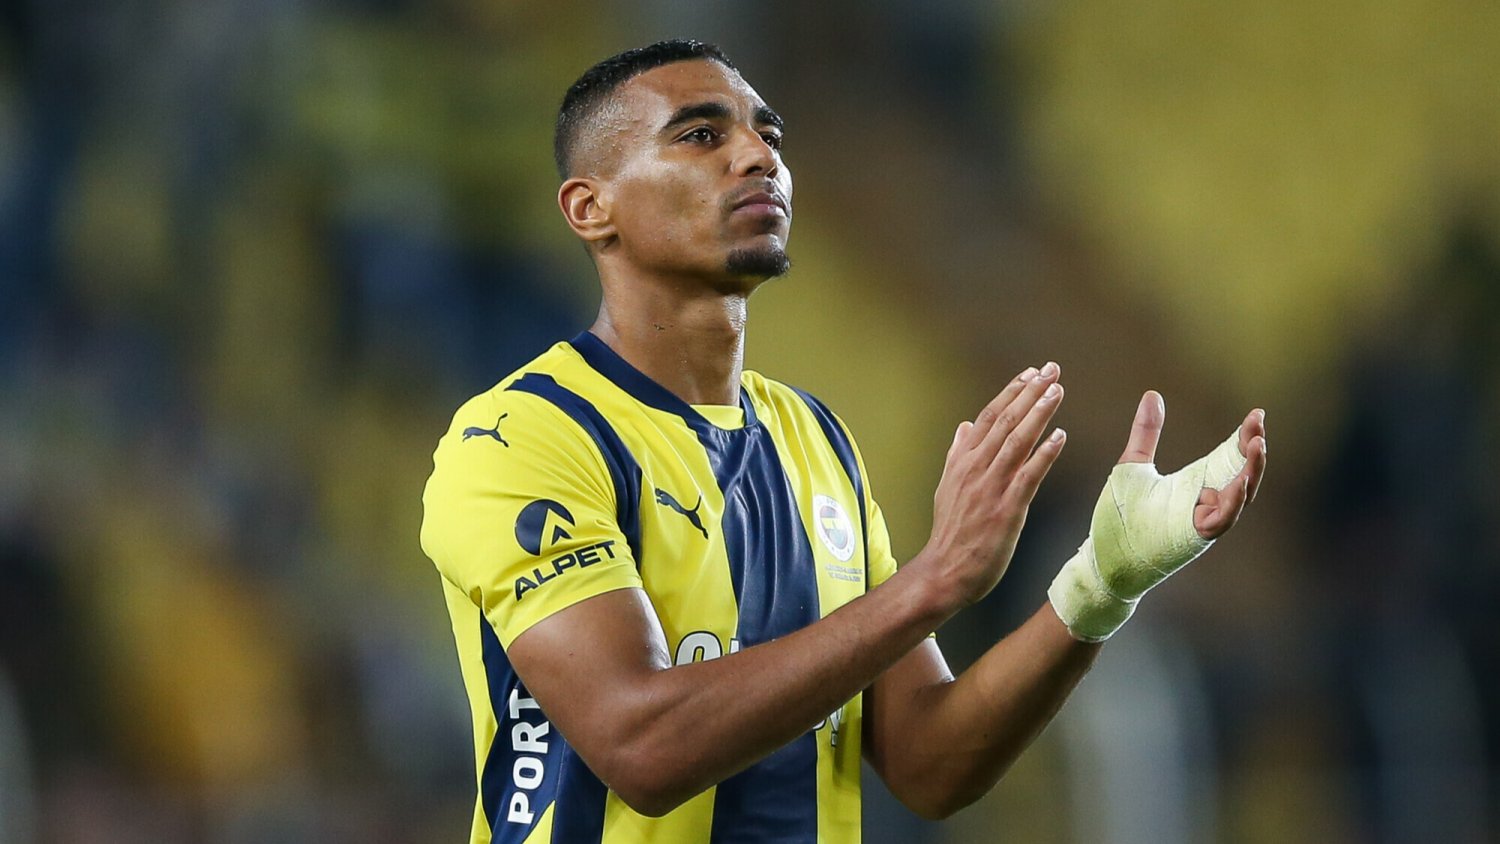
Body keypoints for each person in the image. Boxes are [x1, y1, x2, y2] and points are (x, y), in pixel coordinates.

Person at [420, 39, 1268, 844]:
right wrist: (932, 582)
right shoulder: (521, 439)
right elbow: (640, 745)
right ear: (590, 208)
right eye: (702, 135)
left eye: (769, 135)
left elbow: (929, 763)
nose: (757, 156)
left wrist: (1098, 587)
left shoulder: (812, 440)